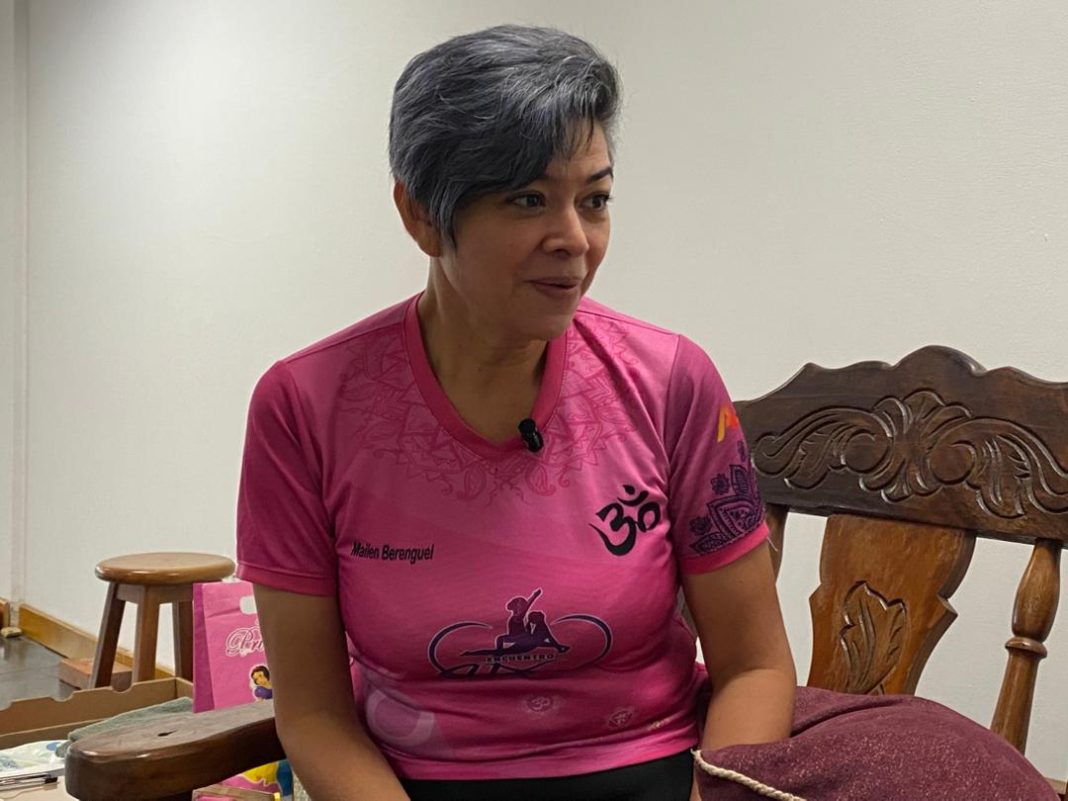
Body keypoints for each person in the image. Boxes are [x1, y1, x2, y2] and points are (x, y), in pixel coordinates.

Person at [236, 24, 795, 801]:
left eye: (594, 200)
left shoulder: (672, 383)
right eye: (528, 199)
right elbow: (315, 712)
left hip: (660, 774)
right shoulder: (305, 407)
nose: (574, 240)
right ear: (421, 215)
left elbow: (755, 666)